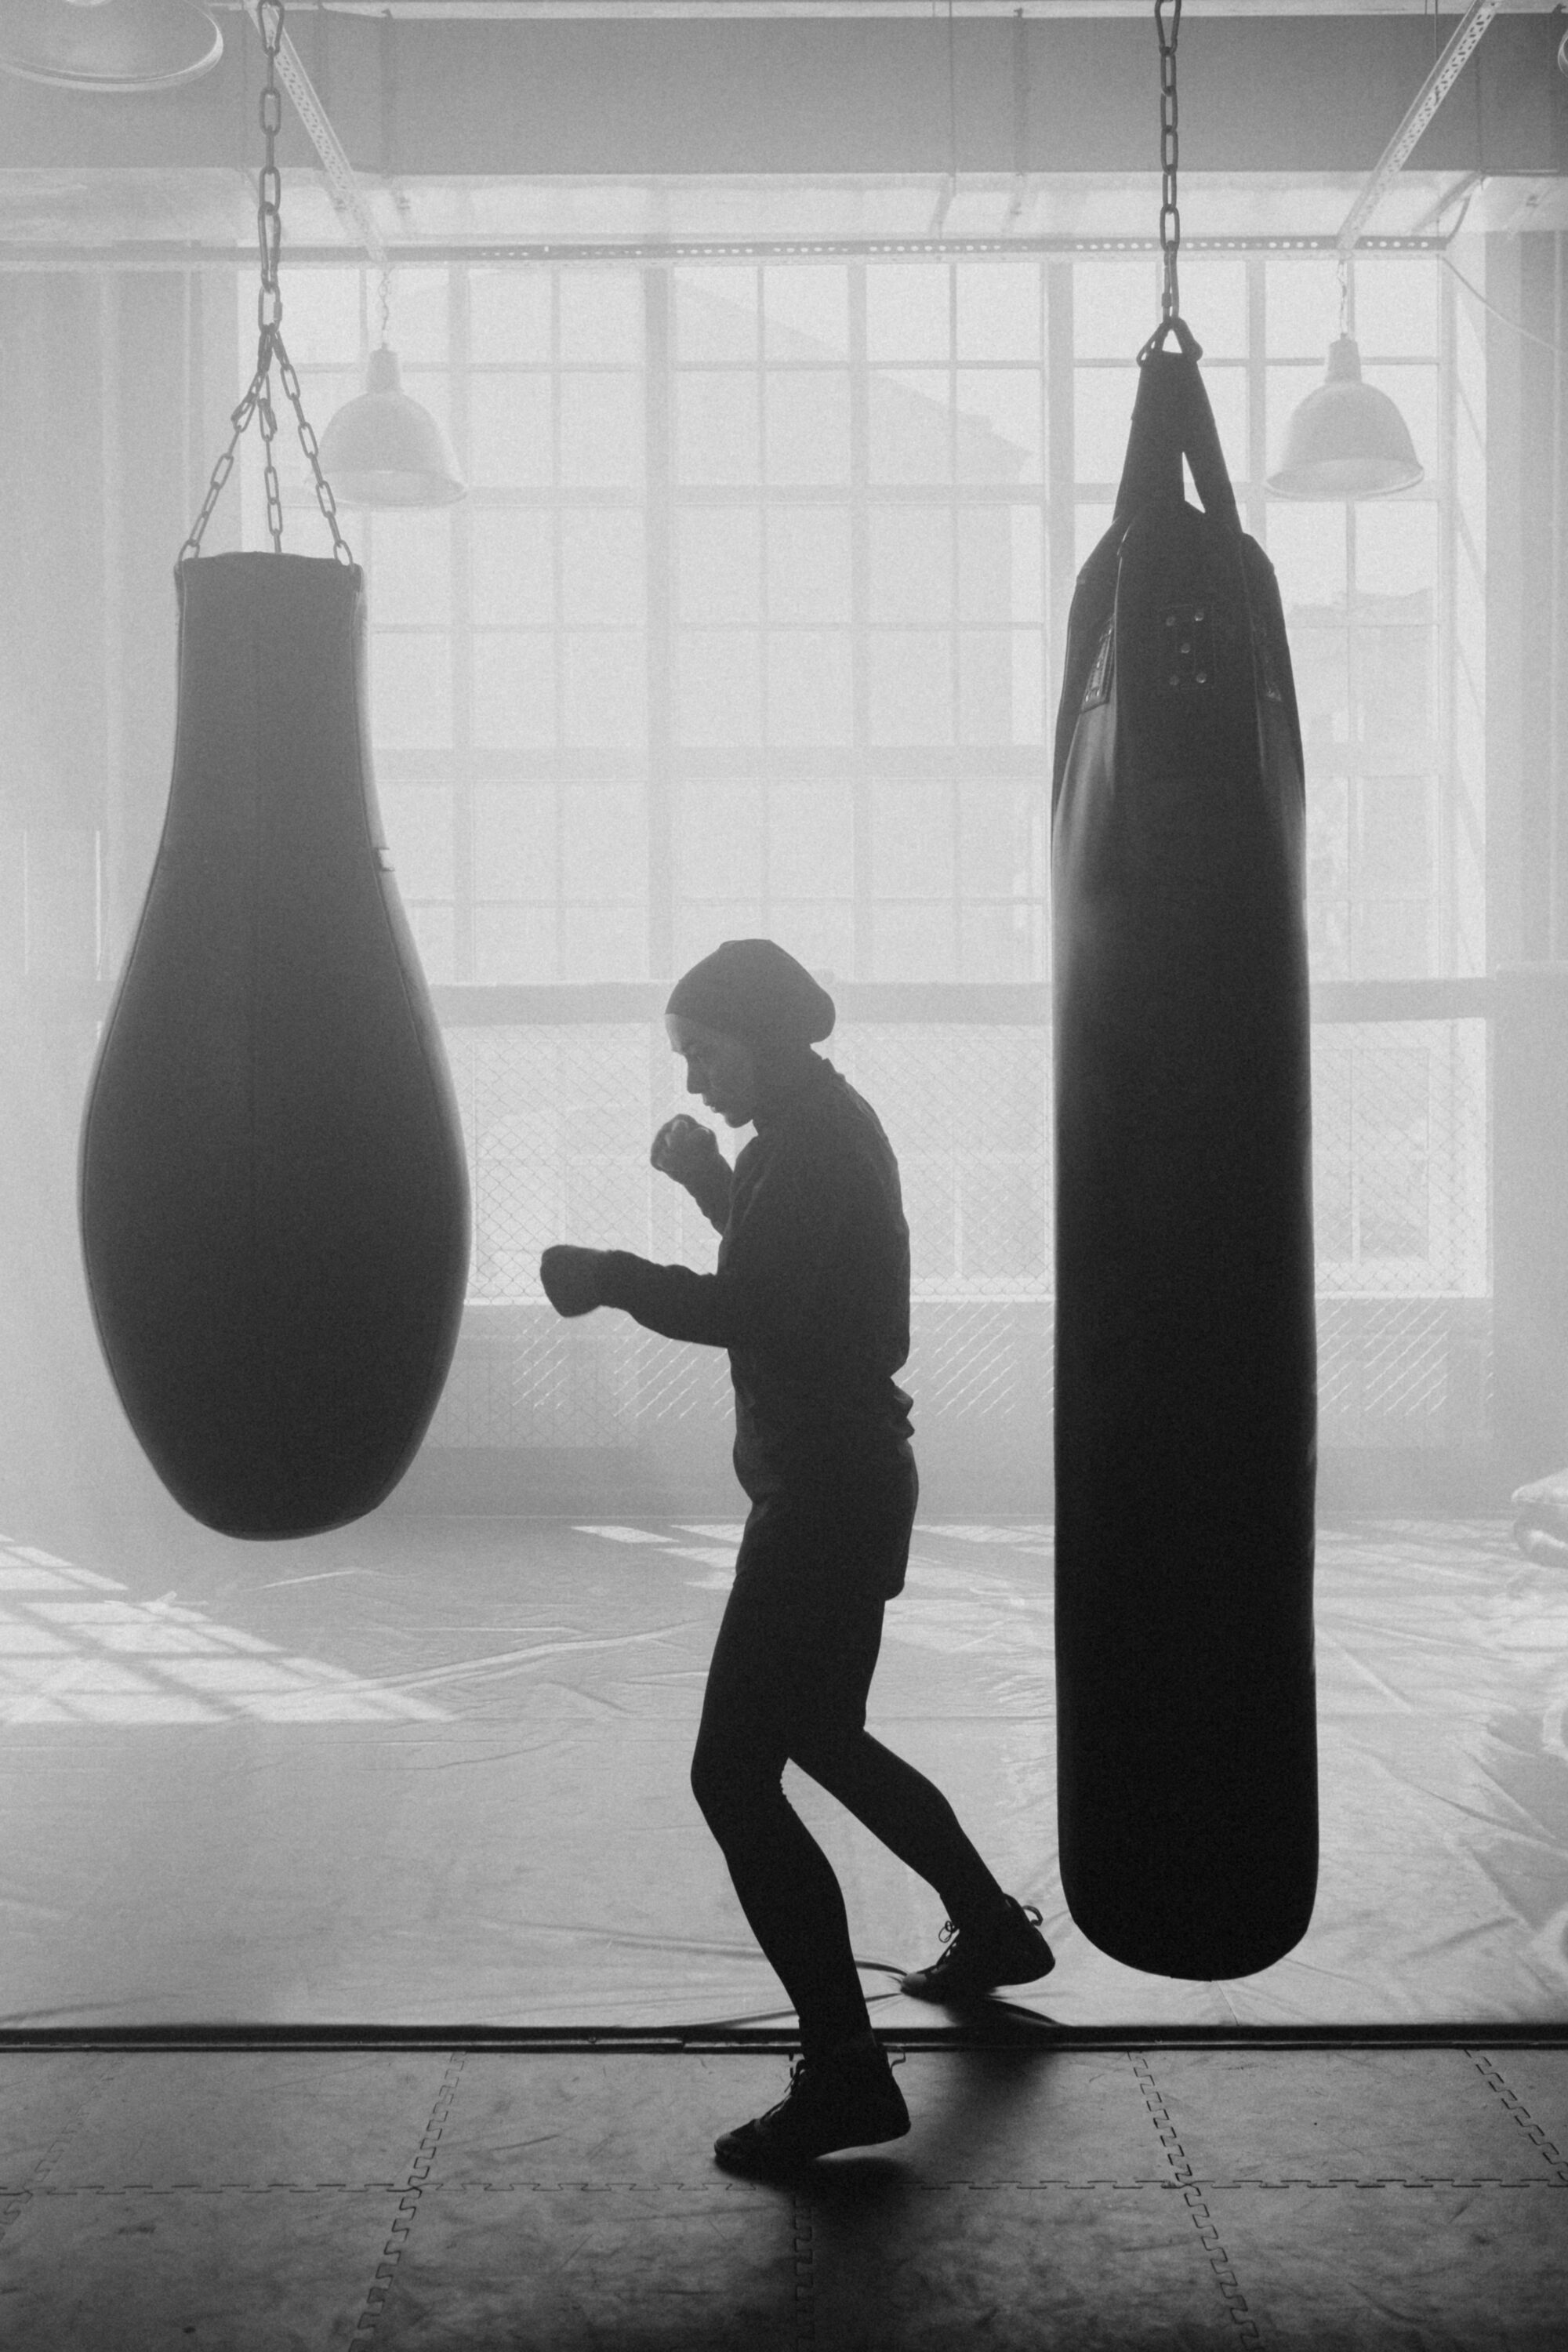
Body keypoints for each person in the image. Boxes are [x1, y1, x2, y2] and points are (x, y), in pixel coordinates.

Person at [539, 939, 1053, 2176]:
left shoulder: (815, 1139)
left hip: (824, 1497)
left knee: (732, 1775)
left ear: (761, 1038)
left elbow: (754, 1309)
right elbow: (792, 1276)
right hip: (846, 1482)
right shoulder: (809, 1132)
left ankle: (845, 2072)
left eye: (708, 1055)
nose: (700, 1081)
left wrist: (608, 1276)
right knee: (821, 1732)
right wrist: (713, 1183)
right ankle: (991, 1931)